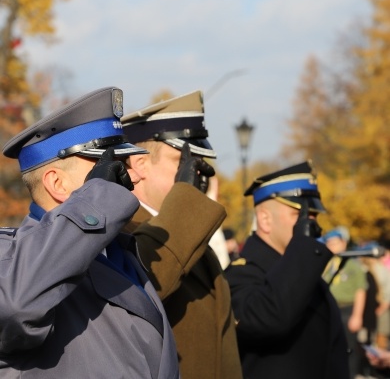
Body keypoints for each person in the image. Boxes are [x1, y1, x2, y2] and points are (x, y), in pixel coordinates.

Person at [0, 86, 180, 378]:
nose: (132, 175)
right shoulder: (12, 256)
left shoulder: (117, 250)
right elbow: (15, 308)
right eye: (110, 166)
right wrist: (96, 201)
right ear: (57, 184)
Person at [120, 90, 243, 379]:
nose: (197, 174)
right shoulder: (121, 230)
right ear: (139, 165)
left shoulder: (188, 230)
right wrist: (186, 201)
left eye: (198, 163)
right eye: (182, 161)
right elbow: (148, 281)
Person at [225, 161, 350, 379]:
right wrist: (302, 247)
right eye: (300, 217)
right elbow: (271, 318)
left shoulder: (303, 269)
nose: (311, 226)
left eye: (313, 217)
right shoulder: (241, 274)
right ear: (265, 219)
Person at [322, 227, 367, 379]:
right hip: (328, 309)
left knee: (349, 347)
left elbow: (360, 290)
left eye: (335, 243)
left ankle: (350, 374)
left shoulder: (352, 265)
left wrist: (357, 315)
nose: (332, 246)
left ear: (344, 243)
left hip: (347, 309)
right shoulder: (326, 263)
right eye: (329, 243)